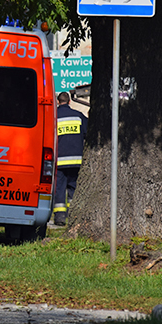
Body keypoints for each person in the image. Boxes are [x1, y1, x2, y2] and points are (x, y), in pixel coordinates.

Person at [54, 91, 88, 226]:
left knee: (59, 189)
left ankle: (60, 217)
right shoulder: (78, 116)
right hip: (76, 160)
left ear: (58, 102)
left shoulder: (54, 117)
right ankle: (73, 216)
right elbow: (87, 132)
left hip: (59, 161)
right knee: (74, 188)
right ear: (69, 101)